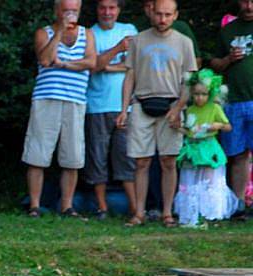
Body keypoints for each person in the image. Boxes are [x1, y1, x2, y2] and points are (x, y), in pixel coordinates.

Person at [116, 0, 197, 227]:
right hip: (142, 104)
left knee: (168, 161)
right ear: (151, 13)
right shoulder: (139, 40)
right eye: (159, 14)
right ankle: (139, 213)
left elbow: (189, 81)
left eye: (167, 15)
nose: (162, 19)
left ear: (175, 15)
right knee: (141, 162)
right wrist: (124, 109)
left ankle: (167, 213)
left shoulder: (184, 42)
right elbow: (129, 76)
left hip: (171, 105)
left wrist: (178, 108)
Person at [22, 0, 96, 217]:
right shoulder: (43, 33)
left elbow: (91, 62)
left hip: (75, 99)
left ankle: (67, 206)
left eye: (74, 10)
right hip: (46, 98)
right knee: (38, 154)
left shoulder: (87, 34)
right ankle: (34, 205)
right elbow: (45, 59)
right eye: (66, 11)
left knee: (72, 157)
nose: (70, 14)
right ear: (57, 11)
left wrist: (63, 64)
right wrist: (61, 31)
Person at [84, 0, 138, 219]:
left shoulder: (129, 30)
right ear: (97, 10)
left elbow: (133, 65)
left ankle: (135, 208)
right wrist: (117, 49)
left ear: (119, 10)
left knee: (126, 157)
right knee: (97, 157)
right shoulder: (89, 34)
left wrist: (106, 65)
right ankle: (101, 207)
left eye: (112, 8)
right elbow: (93, 66)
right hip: (96, 106)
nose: (107, 12)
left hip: (125, 107)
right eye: (103, 8)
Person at [174, 70, 238, 226]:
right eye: (196, 94)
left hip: (209, 147)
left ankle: (210, 214)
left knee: (210, 181)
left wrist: (218, 125)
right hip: (193, 147)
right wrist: (178, 128)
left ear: (210, 93)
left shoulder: (215, 108)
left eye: (203, 94)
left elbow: (228, 126)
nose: (199, 98)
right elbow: (189, 131)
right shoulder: (190, 110)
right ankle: (190, 213)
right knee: (190, 180)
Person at [210, 0, 253, 220]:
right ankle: (239, 206)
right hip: (234, 100)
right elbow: (215, 64)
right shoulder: (229, 30)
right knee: (237, 155)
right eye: (245, 1)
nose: (249, 6)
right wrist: (228, 59)